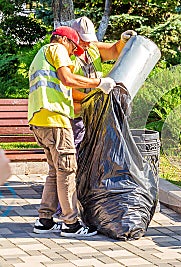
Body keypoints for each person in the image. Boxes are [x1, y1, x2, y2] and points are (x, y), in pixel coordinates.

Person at [28, 26, 116, 237]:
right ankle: (71, 224)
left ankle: (45, 220)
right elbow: (67, 78)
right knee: (67, 169)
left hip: (40, 120)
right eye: (73, 48)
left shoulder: (40, 56)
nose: (72, 55)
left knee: (55, 170)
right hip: (55, 119)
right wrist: (99, 83)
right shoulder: (57, 48)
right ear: (65, 40)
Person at [70, 16, 136, 150]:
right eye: (83, 40)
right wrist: (92, 101)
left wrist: (123, 41)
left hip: (94, 115)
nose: (87, 43)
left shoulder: (93, 49)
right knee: (76, 149)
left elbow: (114, 51)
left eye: (89, 39)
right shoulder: (66, 55)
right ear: (74, 36)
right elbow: (67, 89)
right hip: (75, 115)